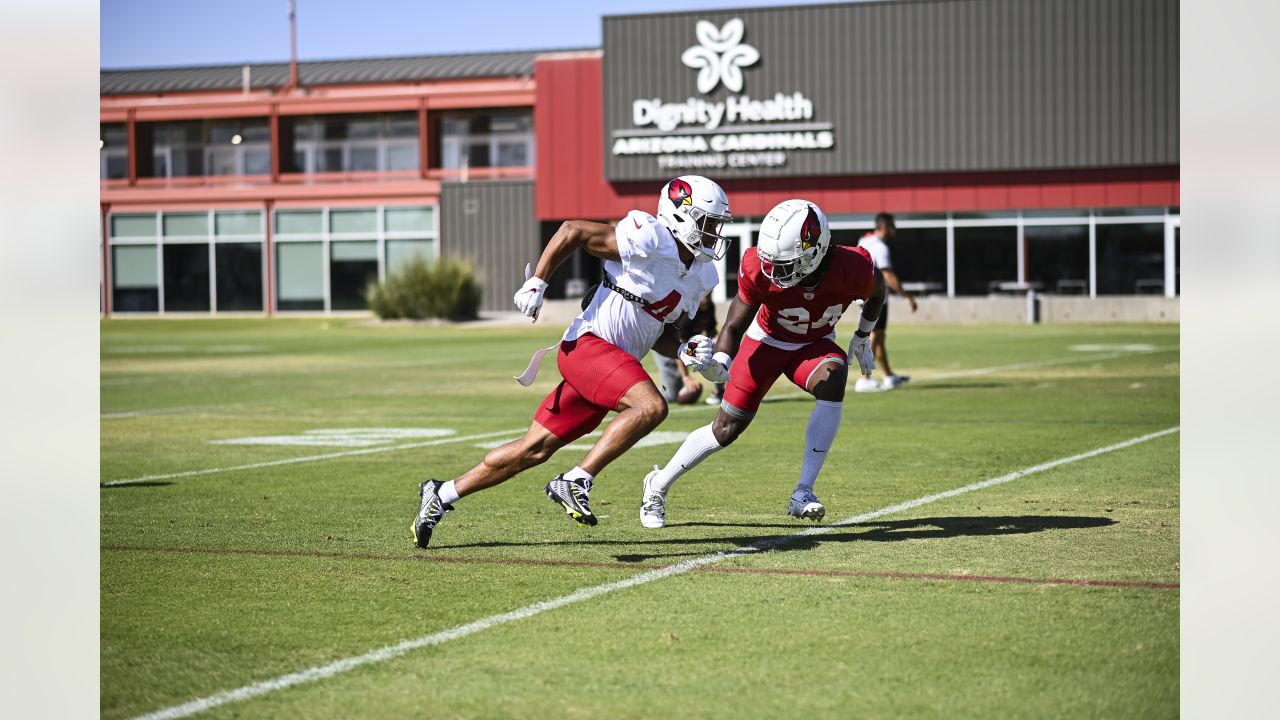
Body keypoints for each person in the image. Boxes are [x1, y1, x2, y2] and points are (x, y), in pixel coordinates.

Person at [411, 175, 732, 548]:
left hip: (611, 366)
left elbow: (660, 326)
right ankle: (577, 479)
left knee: (534, 449)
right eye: (709, 225)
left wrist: (682, 349)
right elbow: (573, 230)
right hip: (588, 347)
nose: (714, 235)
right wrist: (539, 282)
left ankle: (442, 493)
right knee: (651, 407)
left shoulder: (701, 274)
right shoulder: (651, 237)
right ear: (681, 217)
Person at [639, 199, 886, 529]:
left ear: (815, 252)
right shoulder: (758, 266)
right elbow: (734, 324)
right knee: (725, 430)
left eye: (784, 264)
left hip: (812, 346)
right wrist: (722, 360)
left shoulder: (853, 266)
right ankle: (658, 484)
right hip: (765, 342)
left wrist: (862, 335)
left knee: (834, 376)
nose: (773, 272)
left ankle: (803, 492)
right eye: (771, 262)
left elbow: (878, 291)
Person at [855, 212, 917, 392]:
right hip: (876, 297)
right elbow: (888, 275)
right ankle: (864, 379)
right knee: (874, 335)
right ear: (884, 227)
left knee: (879, 336)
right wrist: (907, 296)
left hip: (864, 295)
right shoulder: (881, 248)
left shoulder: (864, 241)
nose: (895, 230)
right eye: (892, 226)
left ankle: (889, 377)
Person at [652, 294, 724, 405]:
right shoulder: (689, 310)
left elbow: (711, 331)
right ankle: (647, 393)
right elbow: (680, 345)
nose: (707, 295)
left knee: (717, 350)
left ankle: (719, 391)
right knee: (672, 394)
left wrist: (723, 343)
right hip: (668, 345)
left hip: (689, 348)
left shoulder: (710, 307)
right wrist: (686, 378)